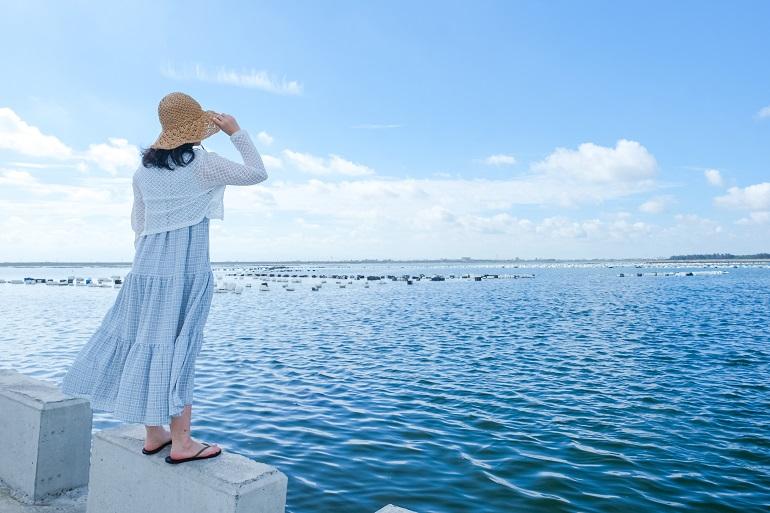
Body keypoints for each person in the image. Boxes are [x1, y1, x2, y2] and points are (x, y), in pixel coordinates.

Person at [60, 91, 268, 464]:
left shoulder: (143, 172)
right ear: (196, 129)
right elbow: (257, 173)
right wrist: (237, 132)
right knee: (179, 348)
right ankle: (183, 443)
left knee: (146, 342)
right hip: (183, 269)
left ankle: (154, 434)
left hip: (145, 269)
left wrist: (148, 264)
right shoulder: (205, 166)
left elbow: (139, 225)